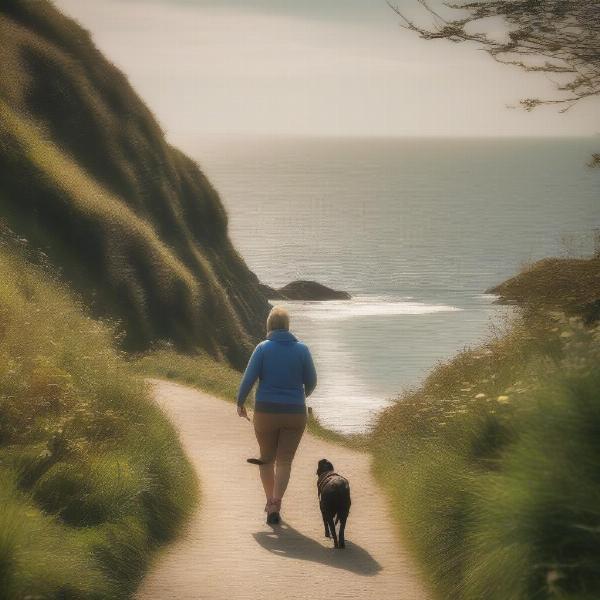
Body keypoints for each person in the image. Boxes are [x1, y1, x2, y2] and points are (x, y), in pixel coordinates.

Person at [236, 306, 317, 525]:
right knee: (285, 461)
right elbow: (311, 382)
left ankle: (269, 502)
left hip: (266, 412)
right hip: (294, 414)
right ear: (288, 326)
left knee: (266, 458)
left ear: (269, 325)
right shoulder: (302, 350)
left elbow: (249, 378)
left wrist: (240, 402)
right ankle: (276, 501)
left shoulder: (262, 348)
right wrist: (301, 395)